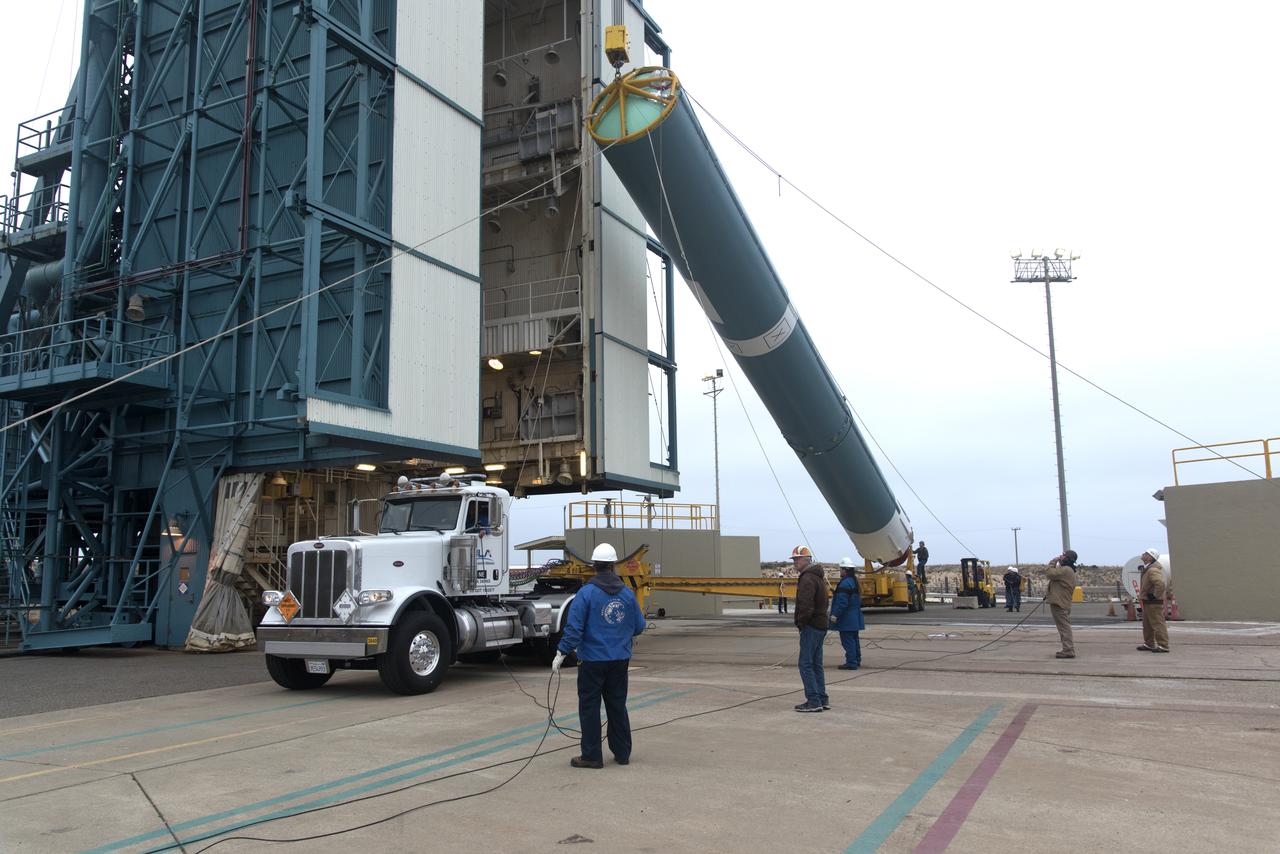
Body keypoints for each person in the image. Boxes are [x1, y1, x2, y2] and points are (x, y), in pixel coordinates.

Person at [554, 542, 647, 768]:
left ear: (594, 565)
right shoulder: (626, 593)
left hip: (592, 662)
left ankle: (592, 756)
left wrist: (561, 652)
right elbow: (639, 625)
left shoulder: (586, 594)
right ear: (613, 565)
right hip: (619, 660)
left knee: (590, 708)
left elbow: (574, 629)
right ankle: (622, 753)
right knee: (617, 705)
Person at [790, 545, 830, 712]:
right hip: (820, 625)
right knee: (816, 664)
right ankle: (822, 698)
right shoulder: (818, 577)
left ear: (805, 560)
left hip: (811, 626)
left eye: (796, 559)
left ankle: (813, 701)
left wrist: (801, 623)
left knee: (805, 664)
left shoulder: (807, 579)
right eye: (794, 560)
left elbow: (805, 605)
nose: (794, 563)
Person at [829, 557, 865, 670]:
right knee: (854, 640)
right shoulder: (853, 581)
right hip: (854, 618)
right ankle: (856, 659)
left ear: (845, 570)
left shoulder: (845, 583)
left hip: (847, 619)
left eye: (841, 569)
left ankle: (851, 662)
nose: (840, 571)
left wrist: (835, 615)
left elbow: (842, 602)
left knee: (848, 641)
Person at [1045, 550, 1078, 659]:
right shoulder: (1068, 570)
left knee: (1064, 628)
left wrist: (1054, 560)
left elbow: (1050, 573)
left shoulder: (1066, 570)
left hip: (1060, 604)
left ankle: (1068, 650)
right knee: (1063, 627)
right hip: (1062, 602)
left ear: (1067, 558)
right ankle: (1067, 649)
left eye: (1063, 555)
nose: (1061, 556)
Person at [1137, 547, 1170, 653]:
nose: (1143, 554)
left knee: (1157, 624)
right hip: (1148, 602)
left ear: (1150, 558)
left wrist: (1155, 595)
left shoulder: (1152, 570)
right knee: (1147, 625)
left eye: (1146, 553)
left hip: (1153, 602)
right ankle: (1149, 643)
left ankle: (1163, 645)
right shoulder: (1148, 569)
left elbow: (1160, 584)